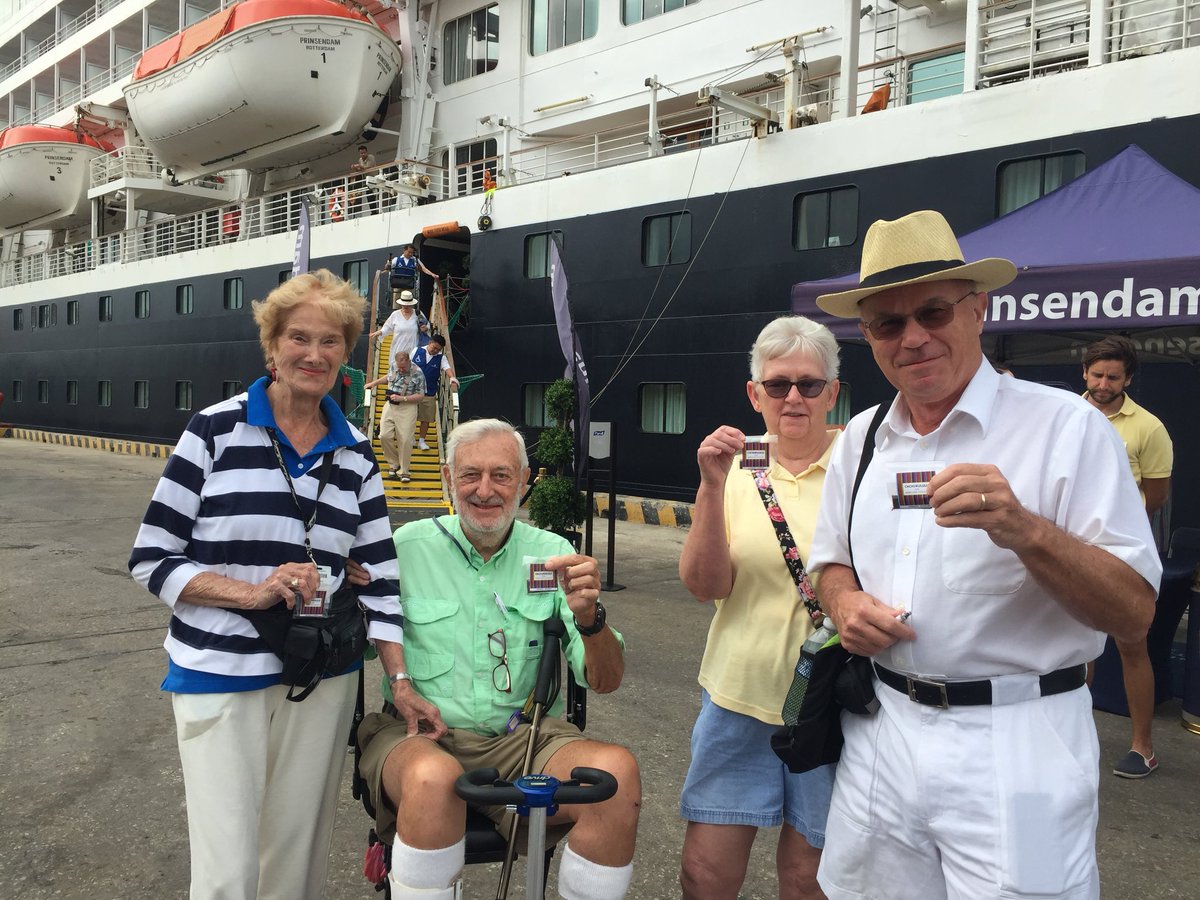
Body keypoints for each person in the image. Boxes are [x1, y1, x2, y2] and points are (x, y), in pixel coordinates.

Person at [806, 210, 1160, 900]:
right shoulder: (860, 438)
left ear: (978, 310)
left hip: (1019, 740)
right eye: (887, 324)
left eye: (932, 312)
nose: (913, 338)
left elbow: (1134, 612)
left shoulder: (1067, 427)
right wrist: (843, 602)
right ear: (868, 338)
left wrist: (1026, 530)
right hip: (882, 732)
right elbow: (829, 562)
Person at [128, 269, 409, 900]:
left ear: (347, 353)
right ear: (272, 347)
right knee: (228, 868)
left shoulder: (356, 452)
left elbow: (382, 578)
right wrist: (250, 593)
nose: (314, 354)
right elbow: (151, 557)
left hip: (320, 676)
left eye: (331, 341)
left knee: (296, 859)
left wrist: (399, 679)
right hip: (219, 670)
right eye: (299, 338)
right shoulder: (214, 432)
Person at [353, 419, 641, 900]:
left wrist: (590, 619)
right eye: (470, 475)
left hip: (524, 739)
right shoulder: (401, 550)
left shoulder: (555, 555)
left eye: (501, 475)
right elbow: (353, 647)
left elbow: (605, 680)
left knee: (618, 777)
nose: (485, 490)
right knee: (433, 779)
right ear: (447, 478)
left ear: (524, 482)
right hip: (416, 734)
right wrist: (341, 586)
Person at [677, 316, 840, 900]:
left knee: (809, 879)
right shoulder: (734, 463)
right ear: (754, 394)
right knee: (705, 872)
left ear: (832, 394)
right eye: (777, 385)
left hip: (831, 706)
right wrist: (710, 486)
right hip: (739, 693)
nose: (793, 397)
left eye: (809, 384)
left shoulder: (861, 463)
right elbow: (704, 585)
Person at [1082, 334, 1174, 778]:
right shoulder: (1064, 416)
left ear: (1128, 379)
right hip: (1072, 550)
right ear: (1084, 373)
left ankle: (1143, 748)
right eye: (1097, 374)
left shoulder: (1149, 427)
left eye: (1112, 377)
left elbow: (1156, 495)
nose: (1103, 383)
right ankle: (1073, 736)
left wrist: (1117, 525)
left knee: (1131, 647)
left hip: (1123, 552)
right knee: (1075, 649)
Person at [365, 351, 425, 482]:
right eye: (398, 367)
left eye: (403, 367)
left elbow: (421, 395)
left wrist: (402, 398)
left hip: (408, 406)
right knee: (384, 435)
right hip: (390, 405)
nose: (400, 369)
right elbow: (388, 377)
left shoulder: (418, 373)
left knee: (405, 439)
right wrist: (373, 383)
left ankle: (404, 471)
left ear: (409, 361)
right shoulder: (394, 366)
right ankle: (394, 463)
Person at [411, 334, 459, 451]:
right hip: (412, 391)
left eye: (438, 349)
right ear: (430, 342)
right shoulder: (416, 351)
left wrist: (452, 378)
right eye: (434, 347)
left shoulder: (441, 358)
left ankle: (422, 441)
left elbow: (447, 368)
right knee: (410, 416)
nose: (435, 350)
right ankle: (410, 437)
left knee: (426, 418)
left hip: (429, 392)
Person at [370, 290, 429, 372]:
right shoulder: (395, 315)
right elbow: (387, 327)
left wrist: (424, 328)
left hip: (413, 349)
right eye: (404, 305)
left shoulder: (418, 314)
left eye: (408, 305)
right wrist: (380, 332)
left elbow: (427, 326)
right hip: (398, 349)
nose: (405, 307)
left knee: (412, 374)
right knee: (395, 372)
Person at [389, 243, 439, 307]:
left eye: (412, 253)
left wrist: (432, 274)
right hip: (398, 284)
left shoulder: (415, 260)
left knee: (409, 303)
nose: (410, 254)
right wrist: (388, 264)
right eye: (409, 252)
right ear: (404, 250)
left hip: (409, 284)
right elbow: (388, 268)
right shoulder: (396, 259)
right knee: (397, 304)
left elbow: (423, 268)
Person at [350, 144, 379, 216]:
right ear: (359, 153)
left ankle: (377, 210)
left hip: (374, 178)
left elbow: (367, 168)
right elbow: (360, 170)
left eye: (364, 152)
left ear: (367, 152)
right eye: (361, 153)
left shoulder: (371, 157)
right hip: (367, 180)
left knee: (375, 194)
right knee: (369, 195)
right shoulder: (360, 160)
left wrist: (359, 166)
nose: (363, 154)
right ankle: (373, 211)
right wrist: (354, 168)